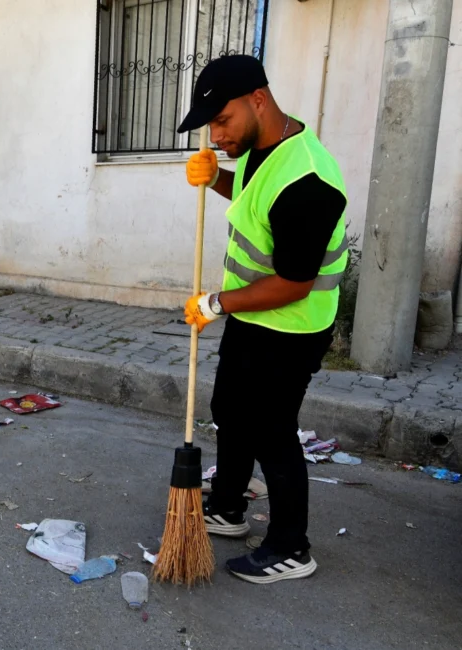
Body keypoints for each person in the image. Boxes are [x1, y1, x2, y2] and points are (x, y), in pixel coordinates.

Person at [179, 55, 348, 584]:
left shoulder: (310, 180)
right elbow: (256, 202)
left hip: (294, 323)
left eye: (222, 121)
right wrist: (217, 180)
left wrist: (217, 303)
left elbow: (295, 281)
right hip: (255, 315)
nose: (217, 135)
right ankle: (228, 507)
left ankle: (290, 546)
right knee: (230, 407)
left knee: (272, 430)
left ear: (258, 99)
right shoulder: (260, 148)